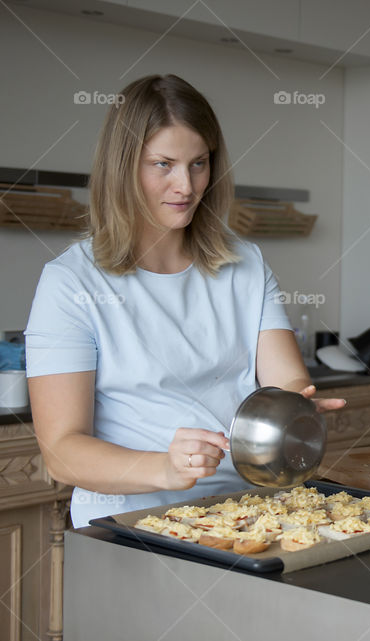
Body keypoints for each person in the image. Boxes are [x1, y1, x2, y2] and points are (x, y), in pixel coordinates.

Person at [25, 74, 344, 527]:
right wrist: (166, 468)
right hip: (133, 522)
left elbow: (287, 380)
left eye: (199, 163)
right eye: (163, 164)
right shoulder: (69, 283)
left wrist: (297, 411)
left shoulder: (246, 265)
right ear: (124, 167)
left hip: (247, 512)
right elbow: (62, 451)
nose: (186, 186)